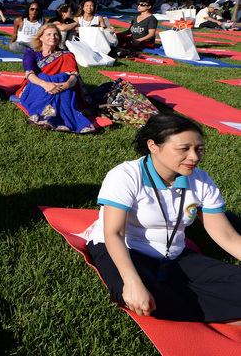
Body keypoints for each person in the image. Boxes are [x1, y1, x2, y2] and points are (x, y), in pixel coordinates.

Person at [82, 113, 241, 323]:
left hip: (174, 254)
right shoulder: (125, 175)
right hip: (126, 249)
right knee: (144, 296)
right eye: (184, 149)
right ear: (153, 146)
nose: (194, 157)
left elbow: (227, 235)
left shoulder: (201, 180)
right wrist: (132, 281)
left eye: (199, 149)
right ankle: (225, 310)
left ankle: (199, 306)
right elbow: (114, 233)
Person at [14, 23, 96, 134]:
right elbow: (30, 74)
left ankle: (55, 117)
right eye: (48, 34)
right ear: (41, 37)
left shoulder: (66, 55)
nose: (52, 37)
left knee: (61, 77)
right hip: (37, 84)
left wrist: (66, 85)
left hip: (61, 86)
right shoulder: (32, 52)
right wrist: (45, 84)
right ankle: (50, 115)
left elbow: (73, 76)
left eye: (56, 34)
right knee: (44, 76)